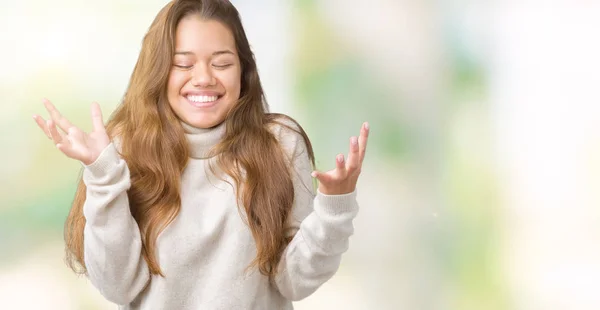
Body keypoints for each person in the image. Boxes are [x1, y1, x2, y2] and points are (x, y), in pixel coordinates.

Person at [32, 0, 369, 309]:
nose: (204, 78)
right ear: (159, 72)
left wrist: (334, 208)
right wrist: (102, 175)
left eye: (222, 63)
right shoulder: (124, 149)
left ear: (244, 70)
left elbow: (294, 281)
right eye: (183, 64)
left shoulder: (279, 143)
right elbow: (118, 287)